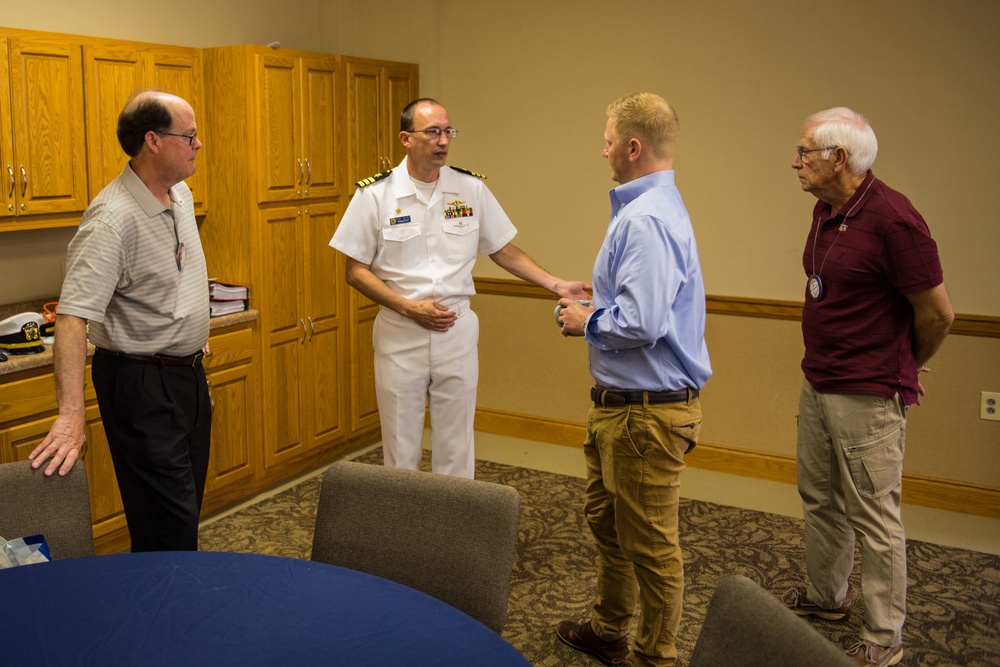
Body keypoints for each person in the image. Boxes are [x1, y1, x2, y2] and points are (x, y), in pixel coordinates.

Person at [330, 98, 589, 479]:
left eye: (448, 131)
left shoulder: (470, 189)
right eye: (432, 131)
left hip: (456, 331)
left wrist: (556, 284)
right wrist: (407, 307)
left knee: (457, 445)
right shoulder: (375, 195)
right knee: (401, 449)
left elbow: (501, 249)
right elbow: (356, 270)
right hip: (402, 333)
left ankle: (454, 534)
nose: (443, 140)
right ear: (406, 138)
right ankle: (404, 535)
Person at [781, 107, 954, 667]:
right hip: (819, 380)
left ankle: (884, 636)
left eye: (805, 152)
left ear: (839, 157)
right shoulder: (826, 209)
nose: (795, 161)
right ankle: (829, 599)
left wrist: (903, 364)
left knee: (875, 517)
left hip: (867, 394)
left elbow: (938, 314)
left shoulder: (895, 219)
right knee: (820, 498)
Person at [554, 92, 712, 667]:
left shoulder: (646, 219)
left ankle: (655, 657)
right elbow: (641, 305)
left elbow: (642, 323)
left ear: (633, 146)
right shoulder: (647, 210)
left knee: (651, 546)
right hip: (624, 406)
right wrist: (597, 306)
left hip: (646, 413)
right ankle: (610, 629)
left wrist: (584, 320)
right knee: (610, 524)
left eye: (607, 140)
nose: (603, 151)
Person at [29, 89, 212, 552]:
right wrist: (71, 416)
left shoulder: (181, 194)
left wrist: (189, 329)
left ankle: (171, 608)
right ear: (152, 140)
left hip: (186, 375)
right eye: (189, 136)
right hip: (141, 384)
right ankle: (165, 618)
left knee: (183, 515)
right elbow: (72, 319)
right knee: (165, 528)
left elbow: (173, 272)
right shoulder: (110, 220)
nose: (198, 145)